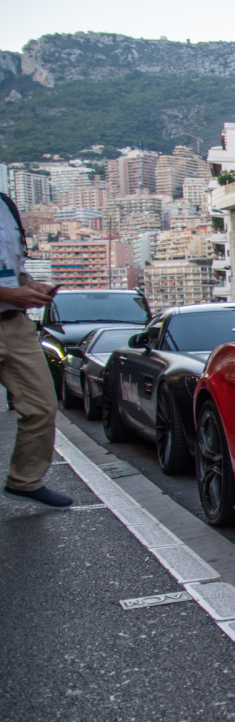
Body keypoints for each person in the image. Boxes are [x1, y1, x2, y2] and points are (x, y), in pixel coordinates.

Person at [0, 191, 72, 508]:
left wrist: (29, 285)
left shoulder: (5, 204)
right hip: (10, 306)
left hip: (13, 323)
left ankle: (25, 480)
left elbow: (12, 266)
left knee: (42, 404)